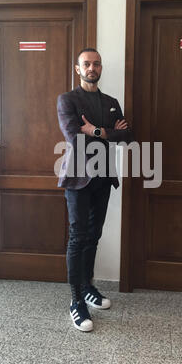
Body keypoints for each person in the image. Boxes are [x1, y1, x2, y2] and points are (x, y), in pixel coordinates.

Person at [57, 48, 133, 332]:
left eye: (96, 64)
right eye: (86, 64)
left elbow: (127, 136)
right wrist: (104, 131)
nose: (92, 68)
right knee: (78, 237)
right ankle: (76, 301)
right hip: (78, 179)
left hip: (103, 178)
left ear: (101, 68)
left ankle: (88, 287)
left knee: (95, 235)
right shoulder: (67, 100)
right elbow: (73, 134)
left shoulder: (111, 102)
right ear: (78, 69)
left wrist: (97, 131)